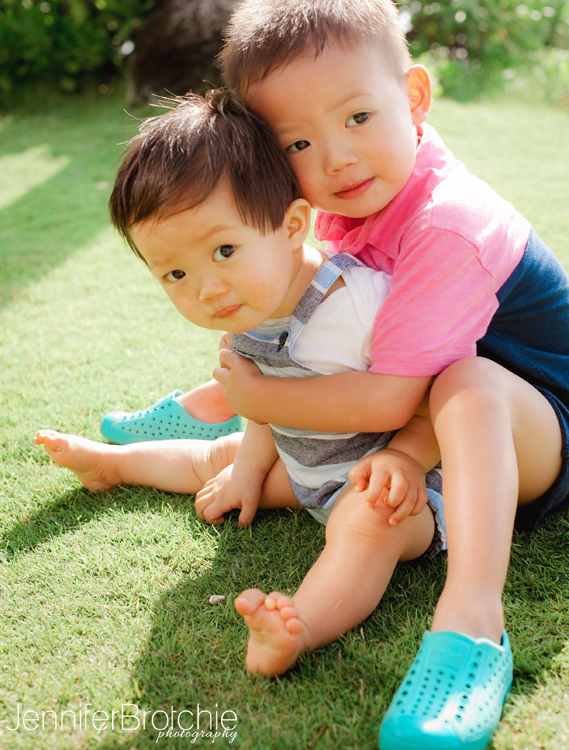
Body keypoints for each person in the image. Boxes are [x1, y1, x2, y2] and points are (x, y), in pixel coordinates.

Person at [100, 0, 569, 750]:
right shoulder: (347, 194)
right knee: (290, 350)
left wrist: (263, 396)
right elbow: (315, 327)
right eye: (296, 143)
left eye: (359, 116)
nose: (334, 159)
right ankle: (203, 409)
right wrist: (256, 396)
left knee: (465, 383)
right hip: (422, 428)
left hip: (540, 434)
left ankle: (473, 622)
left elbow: (386, 403)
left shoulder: (448, 225)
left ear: (416, 97)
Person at [35, 89, 447, 683]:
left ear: (292, 225)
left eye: (224, 250)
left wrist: (408, 463)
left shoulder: (354, 302)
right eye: (175, 273)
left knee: (365, 523)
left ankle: (298, 625)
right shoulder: (250, 308)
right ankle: (112, 465)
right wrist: (248, 472)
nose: (206, 289)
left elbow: (433, 386)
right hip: (307, 468)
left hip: (399, 488)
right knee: (219, 457)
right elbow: (262, 406)